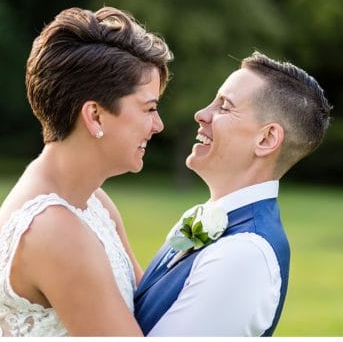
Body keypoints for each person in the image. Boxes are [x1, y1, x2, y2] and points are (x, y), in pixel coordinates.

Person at [0, 7, 171, 335]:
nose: (158, 125)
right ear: (95, 116)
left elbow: (151, 314)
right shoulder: (53, 230)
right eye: (149, 109)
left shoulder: (93, 202)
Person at [134, 51, 332, 335]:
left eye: (224, 106)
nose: (201, 114)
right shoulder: (207, 218)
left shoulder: (245, 255)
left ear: (266, 139)